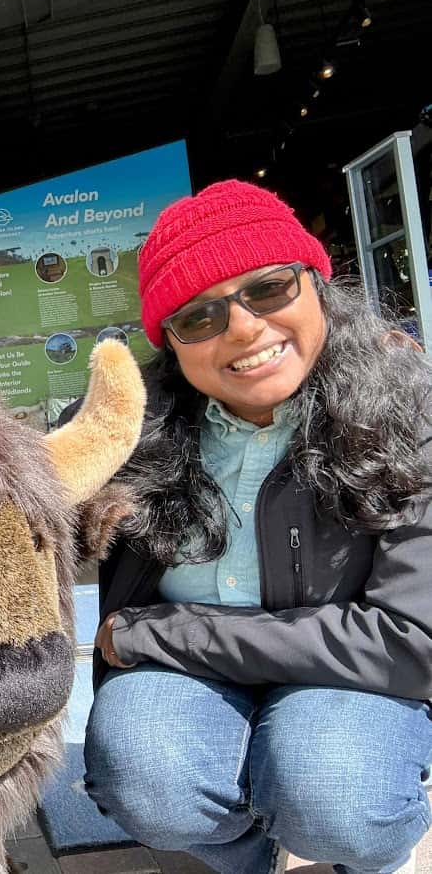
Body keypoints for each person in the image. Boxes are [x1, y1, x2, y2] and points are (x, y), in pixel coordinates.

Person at [83, 180, 432, 874]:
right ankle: (254, 858)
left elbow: (411, 643)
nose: (242, 328)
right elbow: (22, 512)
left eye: (267, 289)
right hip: (187, 678)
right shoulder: (134, 431)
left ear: (315, 285)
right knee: (142, 771)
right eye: (198, 317)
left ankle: (367, 841)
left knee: (334, 788)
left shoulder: (408, 413)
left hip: (349, 679)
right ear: (171, 345)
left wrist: (157, 632)